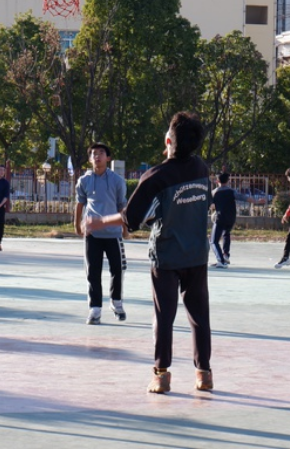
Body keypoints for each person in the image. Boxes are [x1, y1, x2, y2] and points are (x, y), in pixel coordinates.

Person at [86, 112, 214, 394]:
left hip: (166, 257)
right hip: (197, 255)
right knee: (199, 316)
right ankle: (204, 374)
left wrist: (99, 222)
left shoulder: (155, 176)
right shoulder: (201, 169)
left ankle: (161, 374)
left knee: (163, 316)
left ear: (168, 140)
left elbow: (130, 218)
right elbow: (204, 205)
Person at [74, 142, 128, 325]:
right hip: (92, 235)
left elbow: (122, 206)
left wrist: (125, 228)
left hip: (113, 234)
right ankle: (95, 308)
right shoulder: (84, 181)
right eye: (94, 154)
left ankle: (116, 301)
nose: (97, 156)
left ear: (108, 157)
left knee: (117, 270)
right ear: (90, 159)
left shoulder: (117, 181)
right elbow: (80, 204)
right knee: (93, 272)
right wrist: (77, 225)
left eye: (101, 153)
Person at [209, 172, 252, 268]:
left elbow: (210, 204)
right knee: (226, 234)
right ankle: (225, 255)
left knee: (213, 241)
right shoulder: (232, 191)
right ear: (228, 181)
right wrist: (257, 201)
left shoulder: (215, 192)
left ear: (217, 181)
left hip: (220, 218)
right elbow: (244, 198)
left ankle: (221, 261)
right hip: (231, 218)